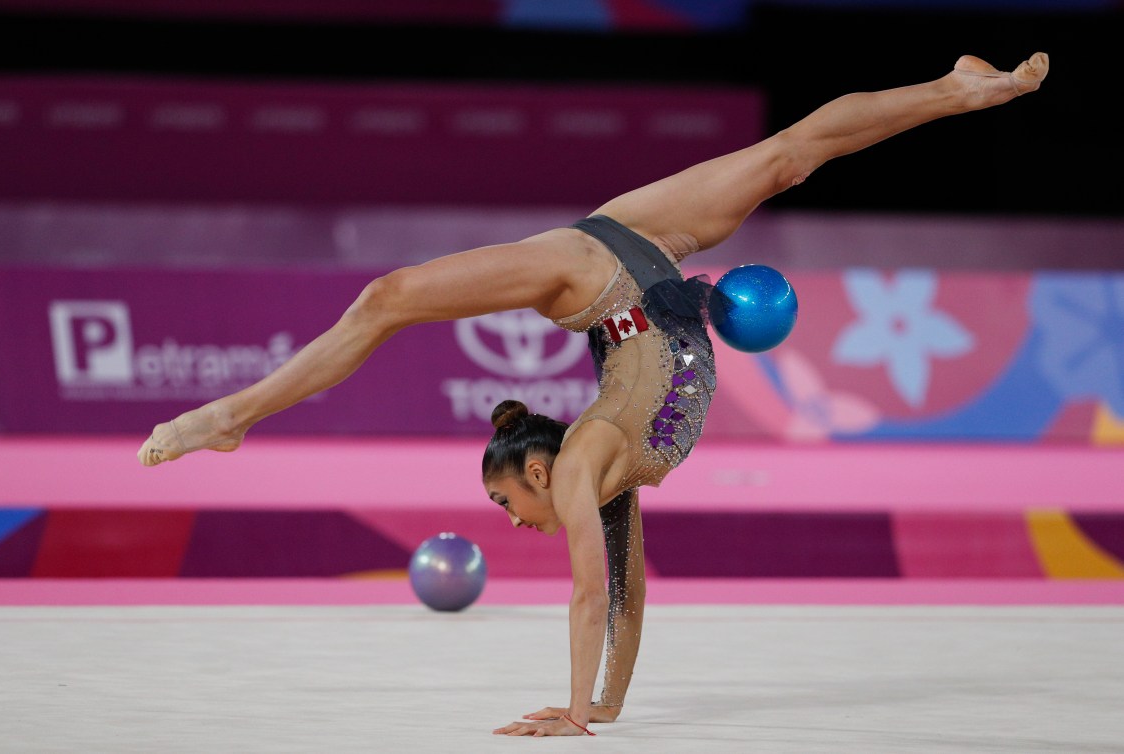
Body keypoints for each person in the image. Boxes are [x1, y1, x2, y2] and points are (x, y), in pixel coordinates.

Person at [137, 52, 1049, 736]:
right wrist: (604, 705)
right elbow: (620, 591)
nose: (512, 518)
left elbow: (589, 595)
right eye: (502, 505)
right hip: (636, 265)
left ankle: (229, 416)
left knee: (391, 297)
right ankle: (957, 88)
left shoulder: (583, 462)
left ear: (538, 466)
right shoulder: (594, 468)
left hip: (597, 278)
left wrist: (575, 712)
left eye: (505, 501)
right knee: (783, 157)